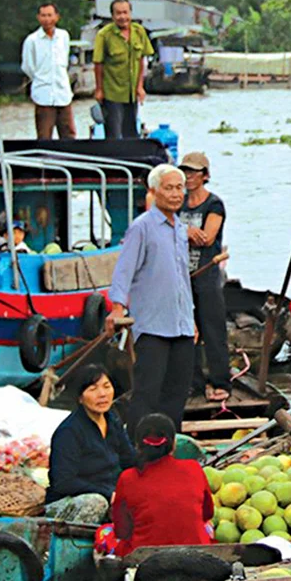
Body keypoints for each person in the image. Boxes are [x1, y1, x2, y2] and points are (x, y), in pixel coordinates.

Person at [108, 164, 195, 434]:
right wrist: (118, 307)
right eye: (169, 188)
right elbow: (124, 270)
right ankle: (138, 449)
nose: (175, 194)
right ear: (154, 191)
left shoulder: (180, 229)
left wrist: (191, 318)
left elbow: (182, 277)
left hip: (181, 324)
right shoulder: (142, 227)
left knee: (177, 392)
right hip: (153, 324)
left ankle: (170, 446)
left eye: (179, 187)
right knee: (147, 393)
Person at [45, 365, 136, 524]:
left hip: (109, 494)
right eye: (93, 389)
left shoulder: (112, 421)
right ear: (80, 397)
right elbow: (64, 482)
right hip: (71, 501)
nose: (102, 394)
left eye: (106, 387)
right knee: (96, 502)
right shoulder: (69, 432)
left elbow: (130, 460)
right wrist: (108, 493)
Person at [111, 414, 214, 553]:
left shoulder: (127, 478)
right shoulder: (194, 468)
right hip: (196, 554)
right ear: (174, 444)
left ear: (137, 445)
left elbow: (122, 531)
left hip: (145, 557)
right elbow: (207, 513)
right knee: (208, 527)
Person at [179, 152, 230, 403]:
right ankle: (193, 383)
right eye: (185, 172)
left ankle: (220, 381)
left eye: (193, 173)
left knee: (212, 329)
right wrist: (187, 231)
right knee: (187, 331)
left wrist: (182, 232)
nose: (189, 177)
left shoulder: (214, 204)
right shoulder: (178, 203)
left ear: (204, 176)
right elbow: (170, 230)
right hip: (181, 275)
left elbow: (207, 238)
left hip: (206, 274)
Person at [93, 0, 152, 140]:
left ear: (130, 13)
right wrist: (99, 89)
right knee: (114, 134)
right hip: (112, 92)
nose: (122, 17)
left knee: (132, 134)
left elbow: (141, 60)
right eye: (118, 13)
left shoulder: (139, 32)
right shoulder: (104, 35)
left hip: (131, 93)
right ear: (112, 16)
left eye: (125, 13)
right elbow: (98, 63)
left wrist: (140, 87)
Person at [20, 2, 75, 140]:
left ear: (57, 17)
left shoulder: (63, 36)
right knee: (44, 136)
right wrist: (40, 78)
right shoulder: (32, 40)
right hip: (43, 95)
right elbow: (27, 66)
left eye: (50, 15)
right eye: (43, 15)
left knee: (69, 134)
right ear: (38, 17)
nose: (47, 19)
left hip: (63, 94)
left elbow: (64, 61)